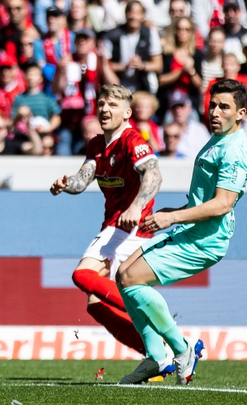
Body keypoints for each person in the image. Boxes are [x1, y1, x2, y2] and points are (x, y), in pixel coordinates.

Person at [115, 79, 247, 385]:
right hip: (193, 228)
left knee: (132, 278)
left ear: (240, 113)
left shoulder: (235, 150)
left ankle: (182, 349)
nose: (215, 112)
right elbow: (207, 200)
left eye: (224, 107)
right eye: (212, 105)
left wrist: (174, 217)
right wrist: (175, 212)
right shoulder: (218, 138)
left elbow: (222, 204)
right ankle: (156, 357)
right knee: (123, 275)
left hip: (206, 240)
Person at [50, 84, 162, 358]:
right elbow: (82, 180)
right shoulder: (97, 144)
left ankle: (165, 328)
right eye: (101, 104)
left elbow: (154, 174)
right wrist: (66, 184)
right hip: (113, 226)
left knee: (82, 274)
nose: (104, 109)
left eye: (112, 105)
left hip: (131, 227)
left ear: (126, 113)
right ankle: (157, 354)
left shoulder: (132, 141)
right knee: (95, 302)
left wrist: (136, 207)